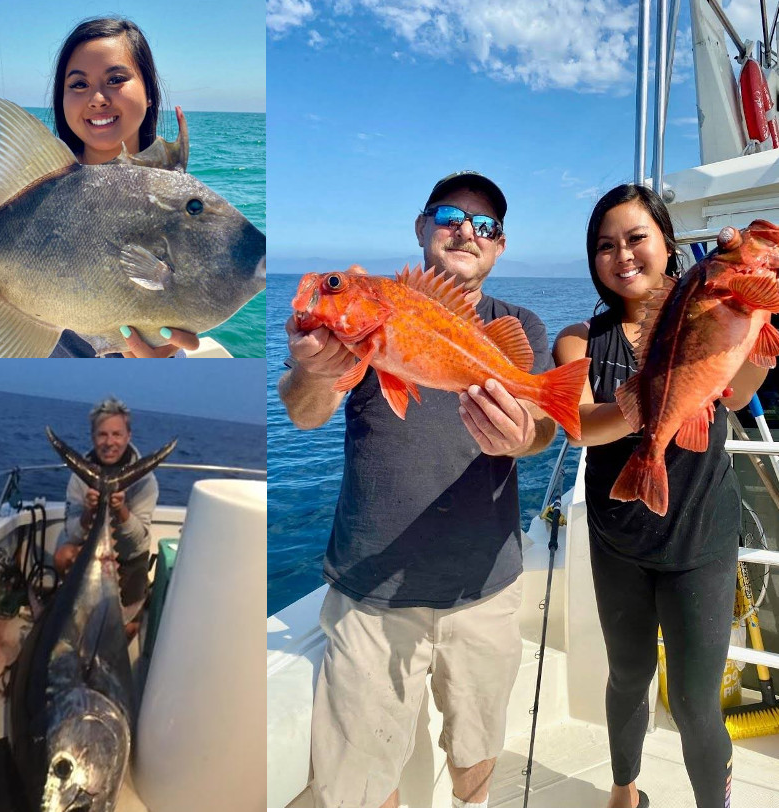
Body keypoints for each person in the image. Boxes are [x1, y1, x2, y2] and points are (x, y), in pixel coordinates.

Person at [279, 171, 557, 808]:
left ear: (500, 247)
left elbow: (541, 428)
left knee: (476, 755)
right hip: (370, 596)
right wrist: (311, 371)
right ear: (421, 228)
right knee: (361, 783)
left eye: (485, 225)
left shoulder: (519, 324)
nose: (466, 230)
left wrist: (521, 437)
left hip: (484, 586)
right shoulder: (361, 325)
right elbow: (304, 412)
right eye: (451, 214)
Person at [552, 183, 766, 808]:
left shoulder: (714, 310)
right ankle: (625, 790)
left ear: (668, 245)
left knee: (699, 703)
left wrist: (757, 315)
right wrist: (652, 407)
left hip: (701, 538)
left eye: (636, 238)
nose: (622, 255)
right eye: (604, 245)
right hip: (619, 539)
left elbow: (735, 390)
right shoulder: (579, 341)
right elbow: (580, 422)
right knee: (627, 675)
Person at [0, 17, 198, 358]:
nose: (97, 98)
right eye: (78, 85)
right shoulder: (36, 183)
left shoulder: (181, 197)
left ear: (149, 93)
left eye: (116, 79)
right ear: (61, 99)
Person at [54, 396, 158, 638]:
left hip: (131, 558)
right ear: (93, 437)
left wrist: (122, 511)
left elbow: (136, 541)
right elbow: (72, 533)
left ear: (128, 436)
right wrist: (90, 511)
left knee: (128, 627)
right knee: (62, 557)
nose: (109, 442)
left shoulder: (146, 481)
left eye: (116, 434)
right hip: (90, 554)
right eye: (102, 434)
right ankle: (71, 604)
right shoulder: (80, 477)